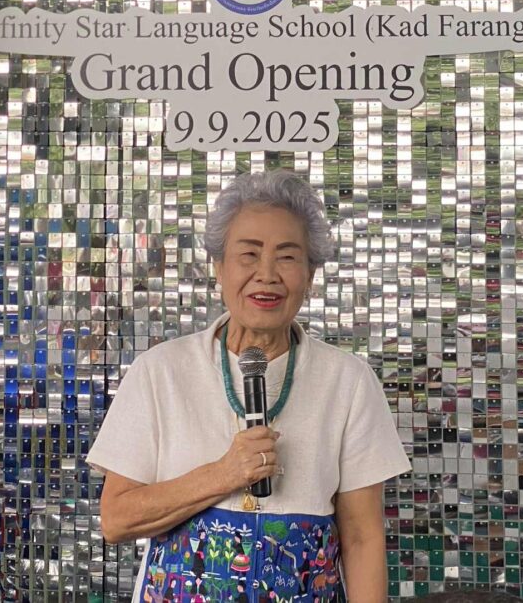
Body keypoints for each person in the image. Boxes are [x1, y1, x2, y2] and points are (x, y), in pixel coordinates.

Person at [88, 169, 410, 602]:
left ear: (310, 275)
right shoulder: (159, 371)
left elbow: (361, 537)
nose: (267, 274)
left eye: (287, 257)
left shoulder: (349, 382)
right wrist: (223, 475)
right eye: (249, 254)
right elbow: (116, 519)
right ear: (219, 267)